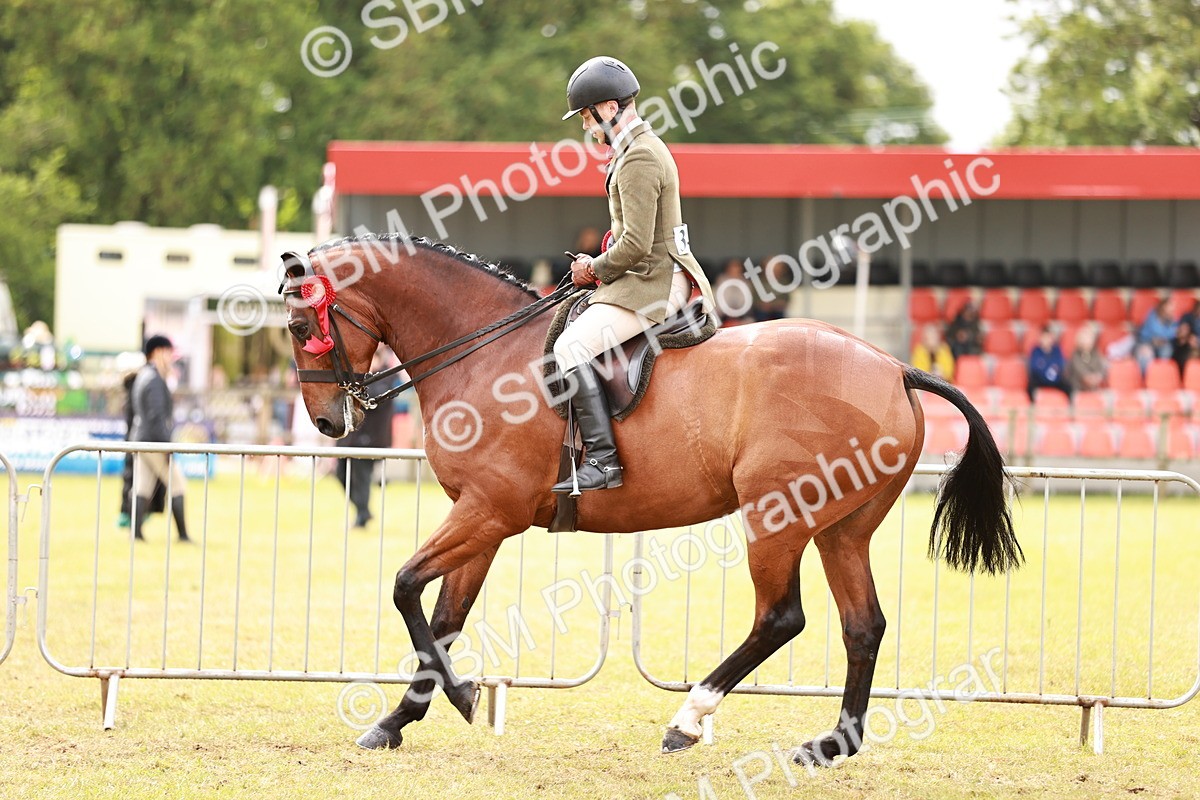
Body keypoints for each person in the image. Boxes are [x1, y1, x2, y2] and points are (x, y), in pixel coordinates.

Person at [554, 55, 717, 493]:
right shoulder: (637, 148)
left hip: (655, 283)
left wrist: (592, 267)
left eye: (587, 116)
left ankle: (604, 461)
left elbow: (636, 247)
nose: (587, 127)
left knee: (569, 348)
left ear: (608, 108)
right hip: (647, 275)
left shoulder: (638, 157)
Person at [129, 334, 189, 542]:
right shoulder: (154, 379)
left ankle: (135, 533)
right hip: (153, 442)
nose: (172, 358)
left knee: (143, 486)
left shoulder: (145, 375)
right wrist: (167, 447)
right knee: (178, 484)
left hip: (142, 439)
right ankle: (182, 535)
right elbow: (156, 417)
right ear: (158, 352)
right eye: (169, 353)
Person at [333, 348, 395, 527]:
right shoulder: (354, 377)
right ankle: (363, 510)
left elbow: (373, 400)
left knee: (362, 477)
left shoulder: (386, 378)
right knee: (341, 474)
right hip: (350, 438)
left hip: (371, 438)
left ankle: (362, 515)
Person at [1027, 326, 1071, 401]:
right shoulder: (1035, 350)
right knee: (1030, 388)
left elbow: (1060, 364)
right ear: (1040, 338)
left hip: (1055, 380)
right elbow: (1034, 367)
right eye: (1044, 337)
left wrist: (1044, 365)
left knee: (1068, 387)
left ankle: (1069, 409)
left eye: (1048, 337)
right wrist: (1049, 368)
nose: (1046, 340)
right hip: (1040, 380)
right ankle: (1033, 408)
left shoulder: (1057, 350)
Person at [1065, 324, 1108, 393]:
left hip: (1094, 386)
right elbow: (1081, 373)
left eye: (1090, 339)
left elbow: (1100, 368)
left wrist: (1098, 377)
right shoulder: (1075, 354)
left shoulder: (1096, 352)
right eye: (1085, 339)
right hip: (1078, 388)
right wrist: (1091, 378)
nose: (1088, 342)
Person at [1136, 298, 1176, 368]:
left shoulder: (1170, 320)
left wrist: (1166, 336)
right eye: (1169, 309)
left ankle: (1160, 372)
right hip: (1146, 342)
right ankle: (1145, 377)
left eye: (1172, 310)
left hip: (1161, 344)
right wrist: (1166, 335)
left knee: (1167, 349)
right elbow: (1156, 331)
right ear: (1162, 308)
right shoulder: (1152, 314)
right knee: (1145, 355)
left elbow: (1174, 333)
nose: (1171, 312)